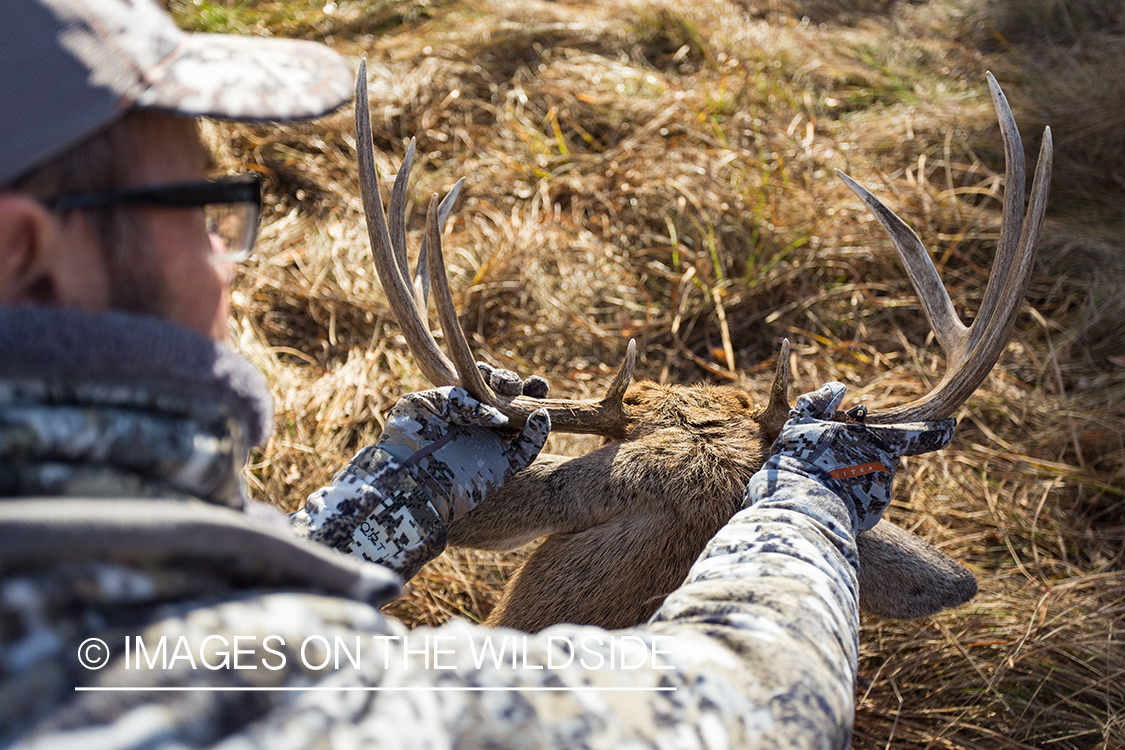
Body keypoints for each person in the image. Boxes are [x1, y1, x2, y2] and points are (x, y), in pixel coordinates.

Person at [0, 1, 956, 747]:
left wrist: (394, 499)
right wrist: (805, 509)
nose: (231, 259)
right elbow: (750, 711)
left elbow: (167, 615)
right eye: (204, 209)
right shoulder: (279, 709)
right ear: (22, 254)